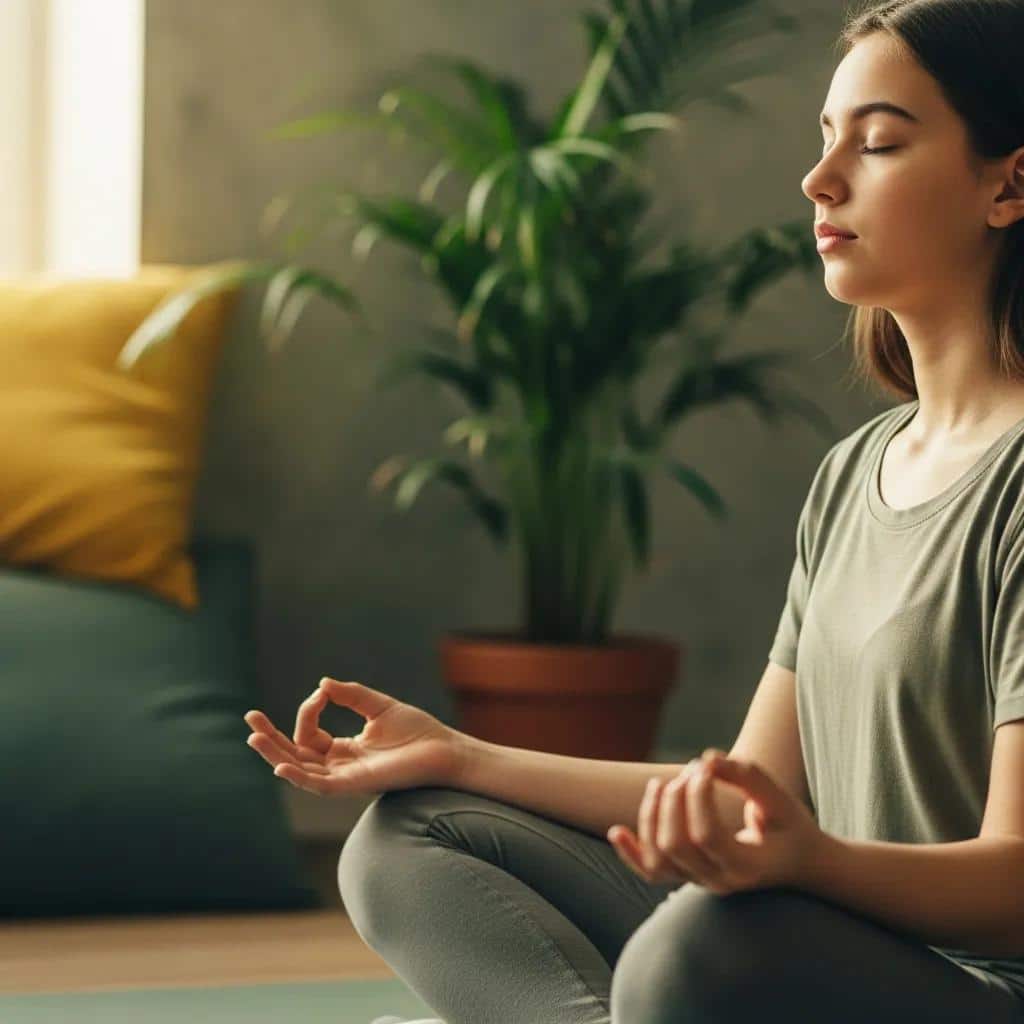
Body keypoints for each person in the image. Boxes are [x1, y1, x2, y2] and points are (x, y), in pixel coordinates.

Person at [243, 1, 1024, 1020]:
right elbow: (751, 781)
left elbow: (1013, 887)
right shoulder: (853, 472)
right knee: (407, 838)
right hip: (815, 945)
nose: (820, 180)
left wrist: (809, 860)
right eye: (825, 140)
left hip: (968, 989)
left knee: (698, 949)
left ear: (1008, 183)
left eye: (876, 142)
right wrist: (461, 755)